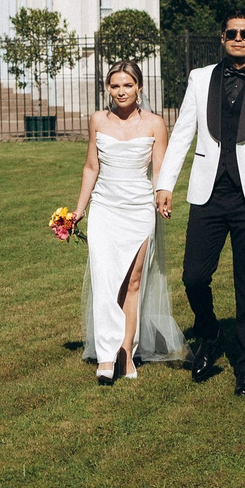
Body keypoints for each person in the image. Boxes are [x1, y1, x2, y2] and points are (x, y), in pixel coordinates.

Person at [155, 7, 245, 396]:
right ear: (222, 38)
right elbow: (183, 132)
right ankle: (211, 332)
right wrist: (165, 183)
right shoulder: (200, 79)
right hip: (208, 194)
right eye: (232, 33)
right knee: (193, 276)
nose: (238, 38)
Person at [71, 63, 184, 383]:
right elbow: (91, 167)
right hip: (104, 210)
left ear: (139, 87)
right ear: (108, 88)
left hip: (139, 210)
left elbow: (160, 170)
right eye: (115, 86)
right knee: (105, 281)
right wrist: (79, 210)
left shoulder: (155, 124)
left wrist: (162, 198)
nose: (121, 91)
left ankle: (126, 351)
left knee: (133, 283)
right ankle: (106, 356)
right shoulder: (97, 120)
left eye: (128, 85)